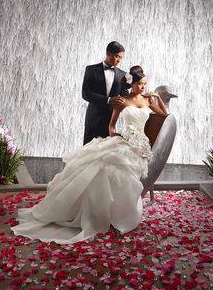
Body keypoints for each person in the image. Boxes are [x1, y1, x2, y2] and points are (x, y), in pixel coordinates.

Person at [11, 66, 168, 245]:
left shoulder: (148, 101)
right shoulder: (121, 101)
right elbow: (111, 128)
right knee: (103, 166)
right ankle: (97, 213)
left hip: (139, 145)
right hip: (124, 140)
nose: (144, 88)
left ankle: (117, 212)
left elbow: (165, 114)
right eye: (140, 84)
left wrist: (156, 97)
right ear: (132, 84)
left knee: (119, 168)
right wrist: (119, 137)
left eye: (145, 84)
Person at [82, 41, 127, 144]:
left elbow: (126, 97)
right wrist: (109, 100)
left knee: (106, 155)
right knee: (88, 153)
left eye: (121, 57)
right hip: (93, 119)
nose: (119, 60)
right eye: (117, 56)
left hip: (110, 122)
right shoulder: (91, 70)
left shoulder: (122, 75)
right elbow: (85, 93)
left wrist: (142, 98)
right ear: (108, 53)